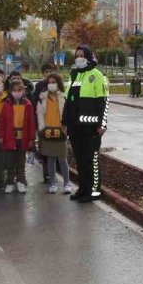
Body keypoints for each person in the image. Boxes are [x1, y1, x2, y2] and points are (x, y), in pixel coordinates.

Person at [63, 44, 109, 202]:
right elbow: (68, 101)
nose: (79, 58)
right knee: (80, 160)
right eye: (76, 55)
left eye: (82, 55)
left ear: (88, 57)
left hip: (91, 127)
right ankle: (83, 189)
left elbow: (103, 102)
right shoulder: (74, 74)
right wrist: (65, 122)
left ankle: (94, 192)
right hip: (76, 127)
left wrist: (102, 124)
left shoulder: (97, 75)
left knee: (92, 160)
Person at [0, 78, 36, 193]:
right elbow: (2, 121)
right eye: (14, 90)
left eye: (19, 90)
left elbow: (31, 123)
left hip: (23, 138)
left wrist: (31, 138)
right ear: (10, 91)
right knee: (10, 162)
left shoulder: (28, 104)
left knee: (21, 162)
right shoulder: (6, 104)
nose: (17, 92)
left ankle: (20, 181)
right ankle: (9, 182)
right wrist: (1, 135)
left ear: (23, 91)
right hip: (10, 137)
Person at [37, 72, 72, 194]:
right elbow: (40, 114)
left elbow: (68, 113)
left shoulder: (63, 96)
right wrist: (42, 129)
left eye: (54, 82)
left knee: (62, 159)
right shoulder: (42, 97)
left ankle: (67, 184)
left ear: (58, 83)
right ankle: (52, 183)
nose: (51, 85)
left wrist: (66, 127)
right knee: (50, 159)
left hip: (60, 131)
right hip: (47, 131)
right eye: (49, 82)